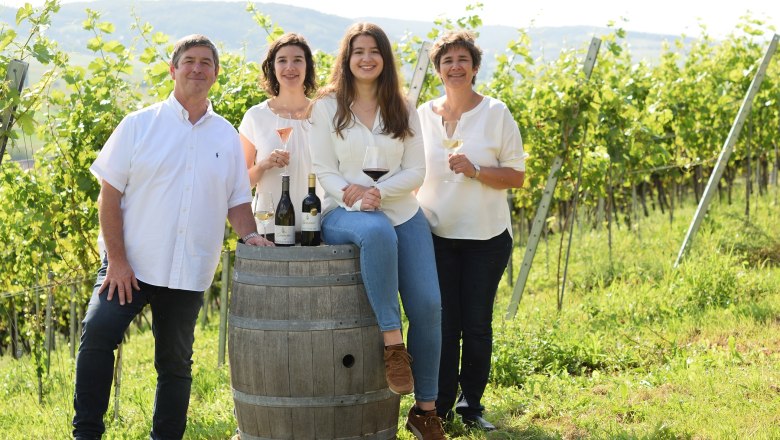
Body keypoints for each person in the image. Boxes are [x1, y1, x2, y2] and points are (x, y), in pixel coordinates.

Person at [72, 34, 271, 440]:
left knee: (176, 365)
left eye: (206, 63)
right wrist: (119, 261)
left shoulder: (226, 138)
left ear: (215, 75)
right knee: (96, 337)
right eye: (189, 61)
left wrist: (251, 237)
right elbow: (109, 195)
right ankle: (86, 433)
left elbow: (236, 203)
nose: (197, 68)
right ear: (173, 68)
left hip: (188, 270)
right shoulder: (138, 125)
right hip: (130, 266)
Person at [309, 22, 446, 440]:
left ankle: (425, 411)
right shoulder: (326, 106)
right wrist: (357, 198)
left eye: (374, 51)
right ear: (346, 59)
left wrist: (377, 192)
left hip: (402, 210)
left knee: (428, 307)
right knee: (376, 232)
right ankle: (393, 345)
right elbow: (323, 169)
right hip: (342, 212)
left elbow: (417, 170)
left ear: (385, 59)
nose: (366, 58)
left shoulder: (403, 105)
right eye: (358, 51)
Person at [416, 30, 527, 432]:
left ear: (474, 67)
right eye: (447, 61)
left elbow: (516, 176)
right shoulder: (422, 115)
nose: (455, 67)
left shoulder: (496, 113)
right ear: (438, 70)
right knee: (442, 323)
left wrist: (477, 171)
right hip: (434, 234)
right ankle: (439, 406)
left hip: (486, 237)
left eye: (462, 59)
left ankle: (471, 405)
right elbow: (412, 173)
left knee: (476, 324)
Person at [240, 32, 318, 234]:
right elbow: (241, 182)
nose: (290, 67)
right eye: (282, 60)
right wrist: (265, 164)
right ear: (272, 67)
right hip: (270, 229)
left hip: (319, 227)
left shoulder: (324, 115)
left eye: (297, 60)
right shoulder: (256, 116)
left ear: (307, 66)